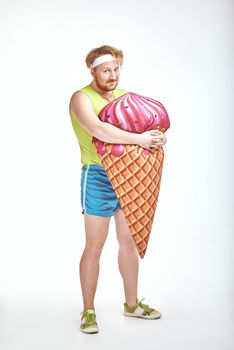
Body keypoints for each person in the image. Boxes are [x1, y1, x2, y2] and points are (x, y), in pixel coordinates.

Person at [69, 45, 167, 334]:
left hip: (131, 174)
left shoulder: (126, 98)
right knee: (94, 246)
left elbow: (151, 127)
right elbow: (99, 130)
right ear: (93, 71)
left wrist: (157, 138)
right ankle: (88, 311)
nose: (112, 75)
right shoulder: (81, 98)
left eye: (115, 69)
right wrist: (141, 139)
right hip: (98, 176)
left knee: (129, 244)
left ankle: (132, 304)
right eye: (105, 70)